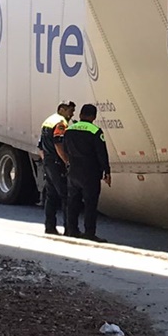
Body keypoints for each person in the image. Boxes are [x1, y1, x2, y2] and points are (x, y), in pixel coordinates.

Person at [62, 103, 111, 242]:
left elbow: (65, 149)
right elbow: (101, 153)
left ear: (80, 115)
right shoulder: (95, 131)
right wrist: (107, 171)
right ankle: (89, 232)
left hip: (73, 171)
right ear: (93, 116)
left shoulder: (69, 129)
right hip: (90, 172)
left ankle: (72, 230)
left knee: (72, 202)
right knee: (90, 203)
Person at [39, 101, 75, 235]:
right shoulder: (61, 123)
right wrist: (66, 161)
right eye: (70, 111)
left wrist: (46, 162)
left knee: (51, 195)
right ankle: (69, 229)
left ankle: (50, 227)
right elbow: (58, 144)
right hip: (57, 162)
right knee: (65, 195)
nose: (72, 114)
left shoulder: (47, 121)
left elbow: (40, 147)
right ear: (62, 109)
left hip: (49, 162)